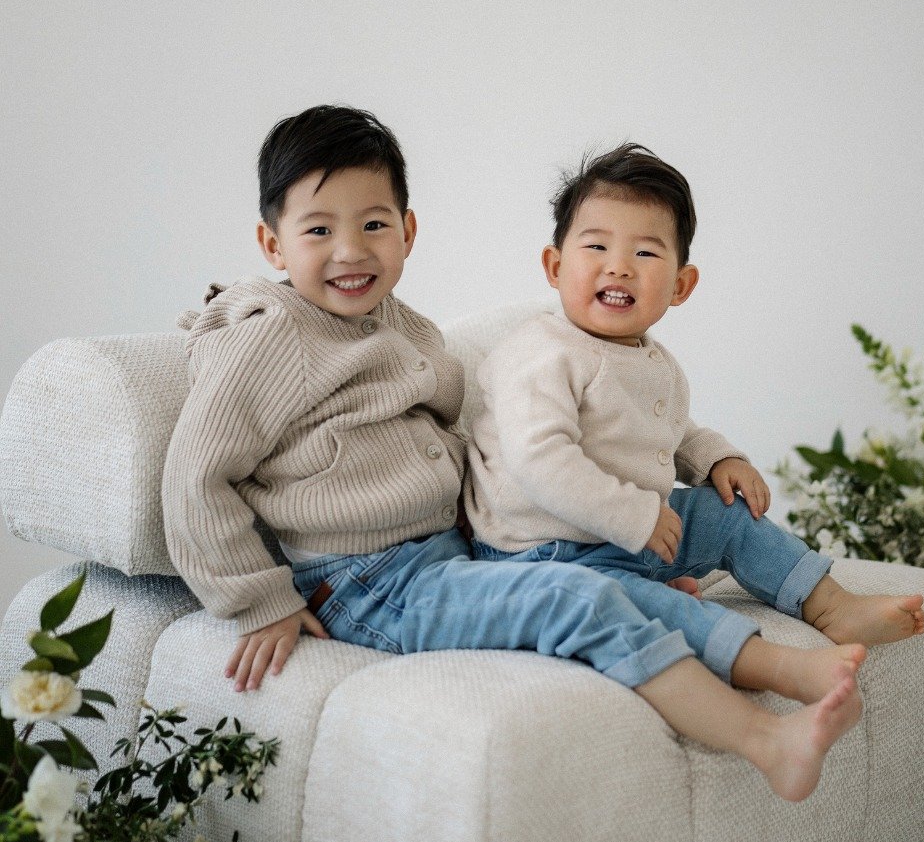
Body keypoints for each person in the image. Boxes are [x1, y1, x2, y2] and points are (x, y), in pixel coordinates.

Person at [162, 109, 863, 803]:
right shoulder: (270, 340)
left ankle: (783, 642)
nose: (350, 251)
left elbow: (461, 436)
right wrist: (259, 601)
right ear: (273, 243)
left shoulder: (403, 326)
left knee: (605, 568)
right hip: (371, 584)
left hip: (451, 551)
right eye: (319, 230)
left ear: (407, 232)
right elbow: (195, 477)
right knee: (574, 598)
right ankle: (765, 741)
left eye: (374, 225)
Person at [465, 143, 924, 783]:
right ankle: (777, 667)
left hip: (629, 530)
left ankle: (831, 606)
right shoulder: (540, 352)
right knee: (643, 606)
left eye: (646, 253)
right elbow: (538, 459)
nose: (619, 268)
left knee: (727, 515)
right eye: (595, 247)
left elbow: (667, 431)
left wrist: (716, 458)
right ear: (554, 264)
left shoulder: (649, 359)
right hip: (545, 550)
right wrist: (631, 515)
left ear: (681, 285)